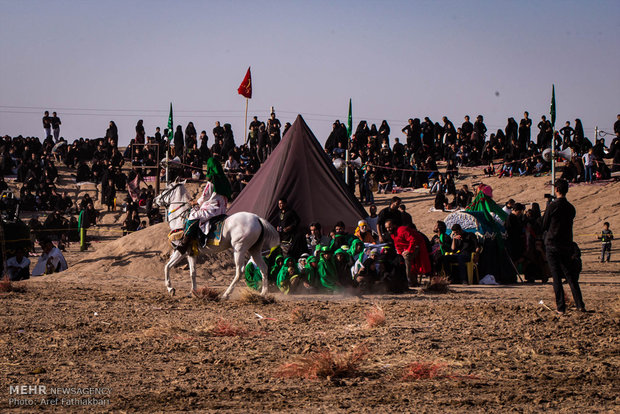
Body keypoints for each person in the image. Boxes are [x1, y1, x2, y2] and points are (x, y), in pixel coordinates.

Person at [542, 178, 586, 314]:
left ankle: (561, 307)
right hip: (566, 244)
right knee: (570, 276)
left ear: (556, 190)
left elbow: (544, 225)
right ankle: (580, 304)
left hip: (552, 243)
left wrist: (548, 206)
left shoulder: (552, 206)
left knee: (556, 277)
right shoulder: (570, 208)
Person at [178, 158, 232, 254]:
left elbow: (205, 196)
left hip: (212, 208)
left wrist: (195, 202)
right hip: (222, 209)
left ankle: (184, 243)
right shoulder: (225, 179)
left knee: (193, 215)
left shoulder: (212, 180)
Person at [385, 218, 431, 287]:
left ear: (394, 225)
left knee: (407, 257)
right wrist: (400, 254)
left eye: (390, 227)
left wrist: (408, 250)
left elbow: (413, 240)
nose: (388, 229)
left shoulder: (402, 230)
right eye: (387, 228)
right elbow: (398, 245)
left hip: (417, 246)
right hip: (408, 248)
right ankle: (411, 281)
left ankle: (408, 280)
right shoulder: (393, 234)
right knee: (400, 259)